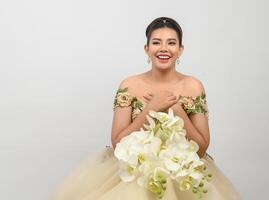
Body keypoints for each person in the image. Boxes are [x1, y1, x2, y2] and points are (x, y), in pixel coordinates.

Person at [49, 17, 242, 200]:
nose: (163, 48)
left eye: (171, 43)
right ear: (147, 48)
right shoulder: (130, 85)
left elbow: (200, 149)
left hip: (181, 172)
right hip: (135, 172)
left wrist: (176, 109)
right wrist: (151, 108)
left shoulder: (193, 86)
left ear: (181, 50)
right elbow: (118, 143)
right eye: (157, 42)